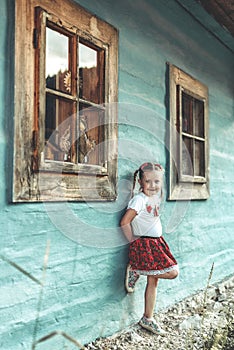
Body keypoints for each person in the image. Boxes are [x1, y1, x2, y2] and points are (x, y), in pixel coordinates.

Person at [120, 162, 179, 335]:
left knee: (154, 280)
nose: (153, 186)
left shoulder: (154, 198)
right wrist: (133, 241)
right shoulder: (139, 200)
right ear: (140, 182)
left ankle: (147, 317)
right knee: (173, 272)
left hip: (157, 243)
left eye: (157, 182)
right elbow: (124, 222)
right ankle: (137, 269)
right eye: (148, 182)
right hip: (144, 244)